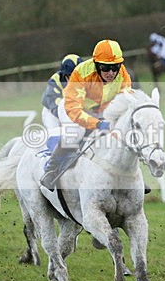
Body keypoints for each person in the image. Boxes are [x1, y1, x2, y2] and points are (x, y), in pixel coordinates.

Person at [40, 39, 132, 190]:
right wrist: (97, 123)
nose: (111, 73)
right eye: (106, 67)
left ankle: (130, 176)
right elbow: (74, 110)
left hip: (101, 108)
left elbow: (124, 100)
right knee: (76, 133)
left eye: (115, 67)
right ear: (96, 64)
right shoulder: (81, 73)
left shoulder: (122, 74)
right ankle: (51, 169)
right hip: (73, 108)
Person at [41, 54, 83, 152]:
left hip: (72, 110)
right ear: (65, 75)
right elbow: (55, 105)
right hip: (52, 112)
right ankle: (51, 160)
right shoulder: (55, 81)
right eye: (72, 76)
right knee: (56, 135)